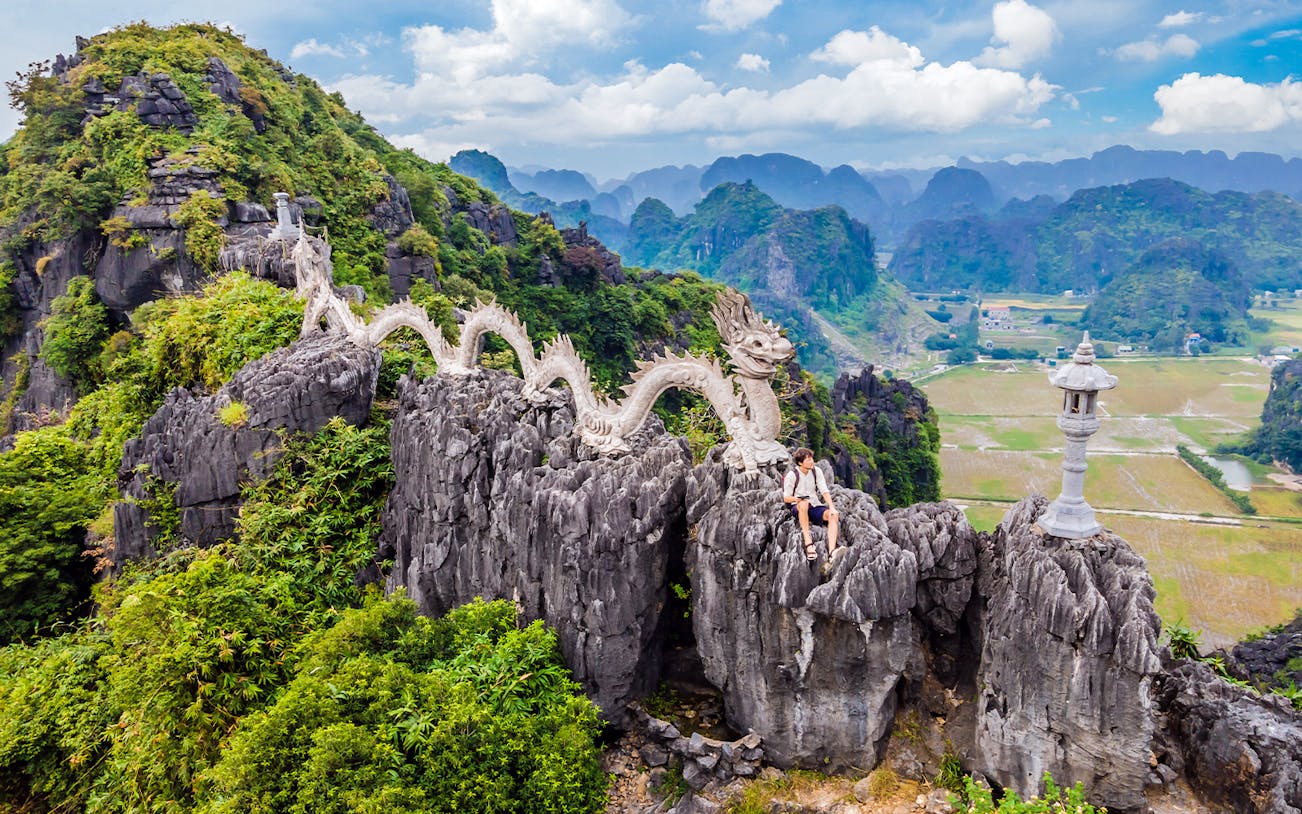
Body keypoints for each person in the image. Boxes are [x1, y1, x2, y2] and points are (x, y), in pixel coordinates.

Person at [781, 447, 840, 561]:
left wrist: (832, 507)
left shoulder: (816, 471)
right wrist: (798, 499)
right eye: (808, 460)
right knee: (804, 503)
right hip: (798, 506)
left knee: (833, 515)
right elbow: (786, 498)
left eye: (811, 458)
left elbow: (824, 490)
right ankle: (808, 544)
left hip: (814, 505)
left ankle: (832, 552)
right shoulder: (792, 475)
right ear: (800, 463)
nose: (812, 461)